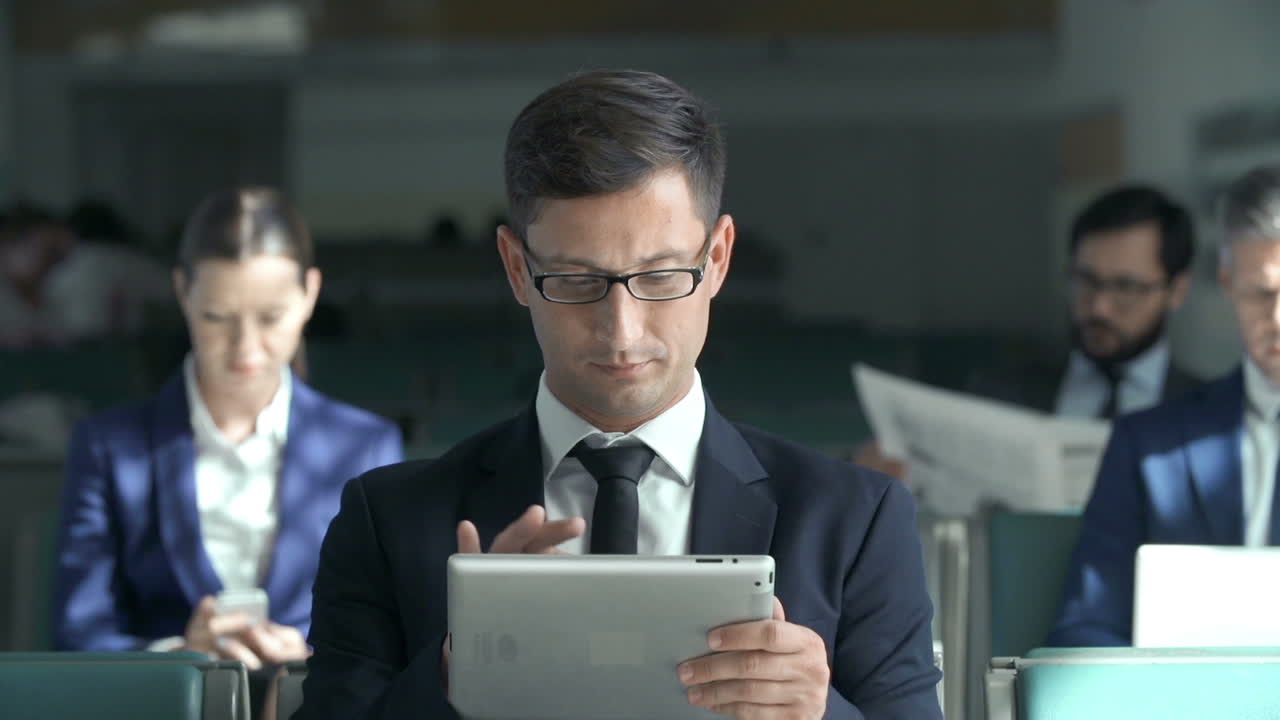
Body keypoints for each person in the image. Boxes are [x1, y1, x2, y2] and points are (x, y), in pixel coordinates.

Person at [297, 70, 941, 719]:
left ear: (717, 259)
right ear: (517, 268)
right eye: (576, 281)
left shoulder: (856, 521)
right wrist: (452, 674)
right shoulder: (387, 522)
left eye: (661, 276)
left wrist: (820, 713)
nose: (622, 332)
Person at [52, 189, 403, 692]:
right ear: (182, 292)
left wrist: (311, 663)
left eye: (270, 318)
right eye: (217, 317)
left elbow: (388, 637)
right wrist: (178, 657)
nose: (246, 347)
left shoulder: (365, 447)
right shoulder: (108, 447)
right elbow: (78, 634)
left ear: (310, 294)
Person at [1047, 165, 1280, 646]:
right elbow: (1087, 628)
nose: (1277, 318)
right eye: (1262, 294)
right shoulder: (1147, 443)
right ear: (1227, 282)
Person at [857, 184, 1203, 477]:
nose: (1098, 307)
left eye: (1125, 287)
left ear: (1177, 291)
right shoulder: (997, 395)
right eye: (1085, 281)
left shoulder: (1211, 415)